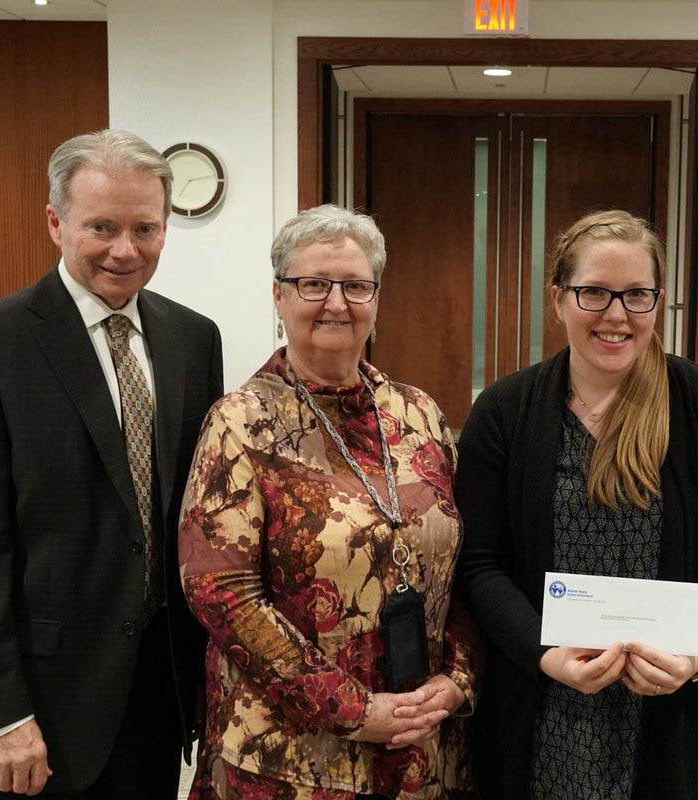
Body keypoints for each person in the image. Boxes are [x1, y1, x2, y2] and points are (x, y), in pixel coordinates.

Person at [0, 129, 224, 798]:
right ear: (55, 222)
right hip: (26, 716)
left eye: (146, 227)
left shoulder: (193, 340)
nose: (125, 249)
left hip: (150, 705)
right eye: (101, 227)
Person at [455, 209, 698, 800]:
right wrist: (545, 654)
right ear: (559, 300)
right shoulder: (504, 412)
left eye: (636, 295)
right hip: (542, 706)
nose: (616, 315)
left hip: (670, 708)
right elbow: (481, 564)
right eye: (594, 293)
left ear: (659, 301)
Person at [178, 204, 478, 800]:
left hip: (421, 747)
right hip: (290, 759)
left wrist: (458, 681)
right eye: (313, 284)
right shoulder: (240, 422)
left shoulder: (418, 413)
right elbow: (220, 592)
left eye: (355, 285)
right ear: (279, 295)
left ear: (376, 296)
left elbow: (469, 564)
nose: (336, 302)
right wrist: (352, 708)